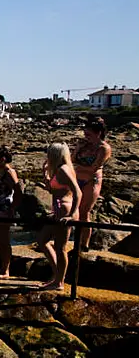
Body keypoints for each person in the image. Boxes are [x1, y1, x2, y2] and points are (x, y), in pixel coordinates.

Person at [37, 142, 82, 291]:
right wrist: (45, 174)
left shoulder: (64, 170)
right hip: (57, 210)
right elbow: (52, 190)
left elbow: (78, 192)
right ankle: (57, 276)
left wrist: (71, 215)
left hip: (65, 210)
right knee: (42, 240)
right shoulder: (58, 169)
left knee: (60, 248)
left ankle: (59, 281)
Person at [72, 117, 112, 251]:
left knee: (84, 213)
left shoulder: (103, 148)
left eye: (88, 134)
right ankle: (75, 240)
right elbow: (72, 159)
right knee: (74, 211)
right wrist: (78, 148)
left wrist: (76, 167)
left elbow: (93, 168)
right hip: (77, 180)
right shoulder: (84, 144)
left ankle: (84, 244)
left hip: (91, 181)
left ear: (98, 133)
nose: (86, 136)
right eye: (85, 134)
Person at [0, 146, 21, 277]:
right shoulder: (3, 172)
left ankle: (5, 269)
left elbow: (18, 189)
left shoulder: (10, 172)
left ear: (2, 159)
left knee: (3, 238)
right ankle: (3, 267)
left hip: (5, 207)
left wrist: (13, 207)